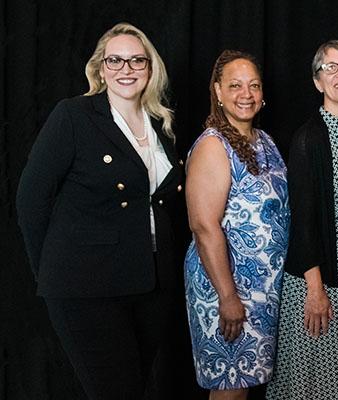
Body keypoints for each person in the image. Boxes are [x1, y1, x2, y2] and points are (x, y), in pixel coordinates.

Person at [16, 22, 183, 399]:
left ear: (150, 68)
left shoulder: (161, 123)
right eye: (116, 61)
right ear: (101, 68)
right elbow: (31, 200)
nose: (126, 69)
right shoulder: (74, 116)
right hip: (87, 286)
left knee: (138, 389)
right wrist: (51, 269)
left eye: (136, 61)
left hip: (151, 283)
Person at [266, 39, 338, 399]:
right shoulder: (310, 138)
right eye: (330, 67)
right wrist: (315, 290)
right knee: (320, 378)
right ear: (318, 82)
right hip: (323, 276)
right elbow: (301, 218)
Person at [183, 50, 289, 399]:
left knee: (246, 384)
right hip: (227, 286)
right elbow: (203, 226)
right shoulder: (214, 145)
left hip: (262, 289)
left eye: (253, 86)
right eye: (235, 85)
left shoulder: (266, 141)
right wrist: (227, 296)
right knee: (231, 387)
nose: (246, 94)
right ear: (218, 91)